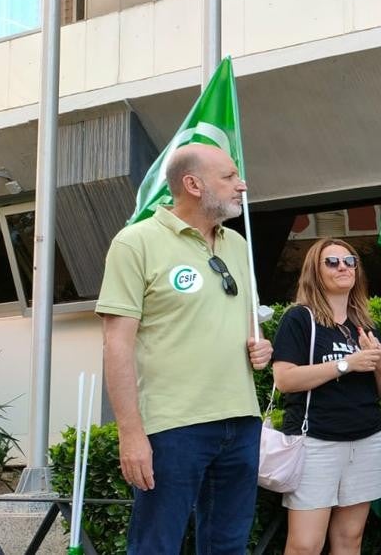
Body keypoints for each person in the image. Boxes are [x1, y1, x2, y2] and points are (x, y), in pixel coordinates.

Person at [96, 143, 273, 554]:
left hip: (242, 421)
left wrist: (258, 348)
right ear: (193, 184)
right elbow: (116, 344)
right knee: (156, 546)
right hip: (172, 428)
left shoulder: (236, 246)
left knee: (229, 547)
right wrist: (131, 434)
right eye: (229, 177)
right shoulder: (134, 242)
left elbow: (246, 324)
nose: (241, 185)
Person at [272, 239, 381, 555]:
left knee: (350, 539)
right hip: (316, 441)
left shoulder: (366, 325)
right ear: (315, 272)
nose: (343, 266)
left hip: (366, 440)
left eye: (349, 260)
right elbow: (285, 379)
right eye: (332, 262)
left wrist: (380, 362)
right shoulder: (300, 319)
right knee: (305, 544)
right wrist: (346, 364)